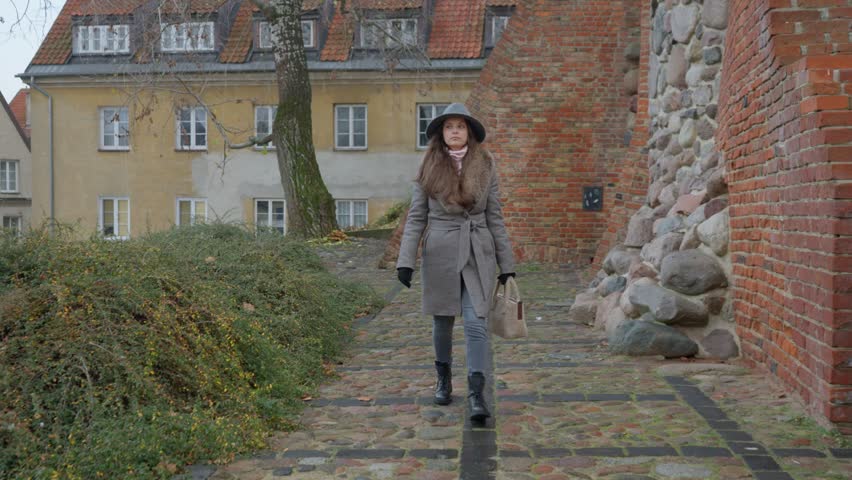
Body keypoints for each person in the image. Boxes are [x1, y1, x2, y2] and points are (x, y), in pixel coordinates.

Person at [396, 103, 515, 422]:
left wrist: (508, 263)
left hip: (478, 251)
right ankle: (444, 378)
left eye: (461, 127)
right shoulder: (428, 166)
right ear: (441, 133)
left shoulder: (486, 164)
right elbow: (416, 217)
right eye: (449, 127)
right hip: (441, 252)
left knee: (477, 322)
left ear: (469, 133)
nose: (455, 132)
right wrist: (405, 261)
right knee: (443, 322)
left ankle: (477, 393)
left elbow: (496, 216)